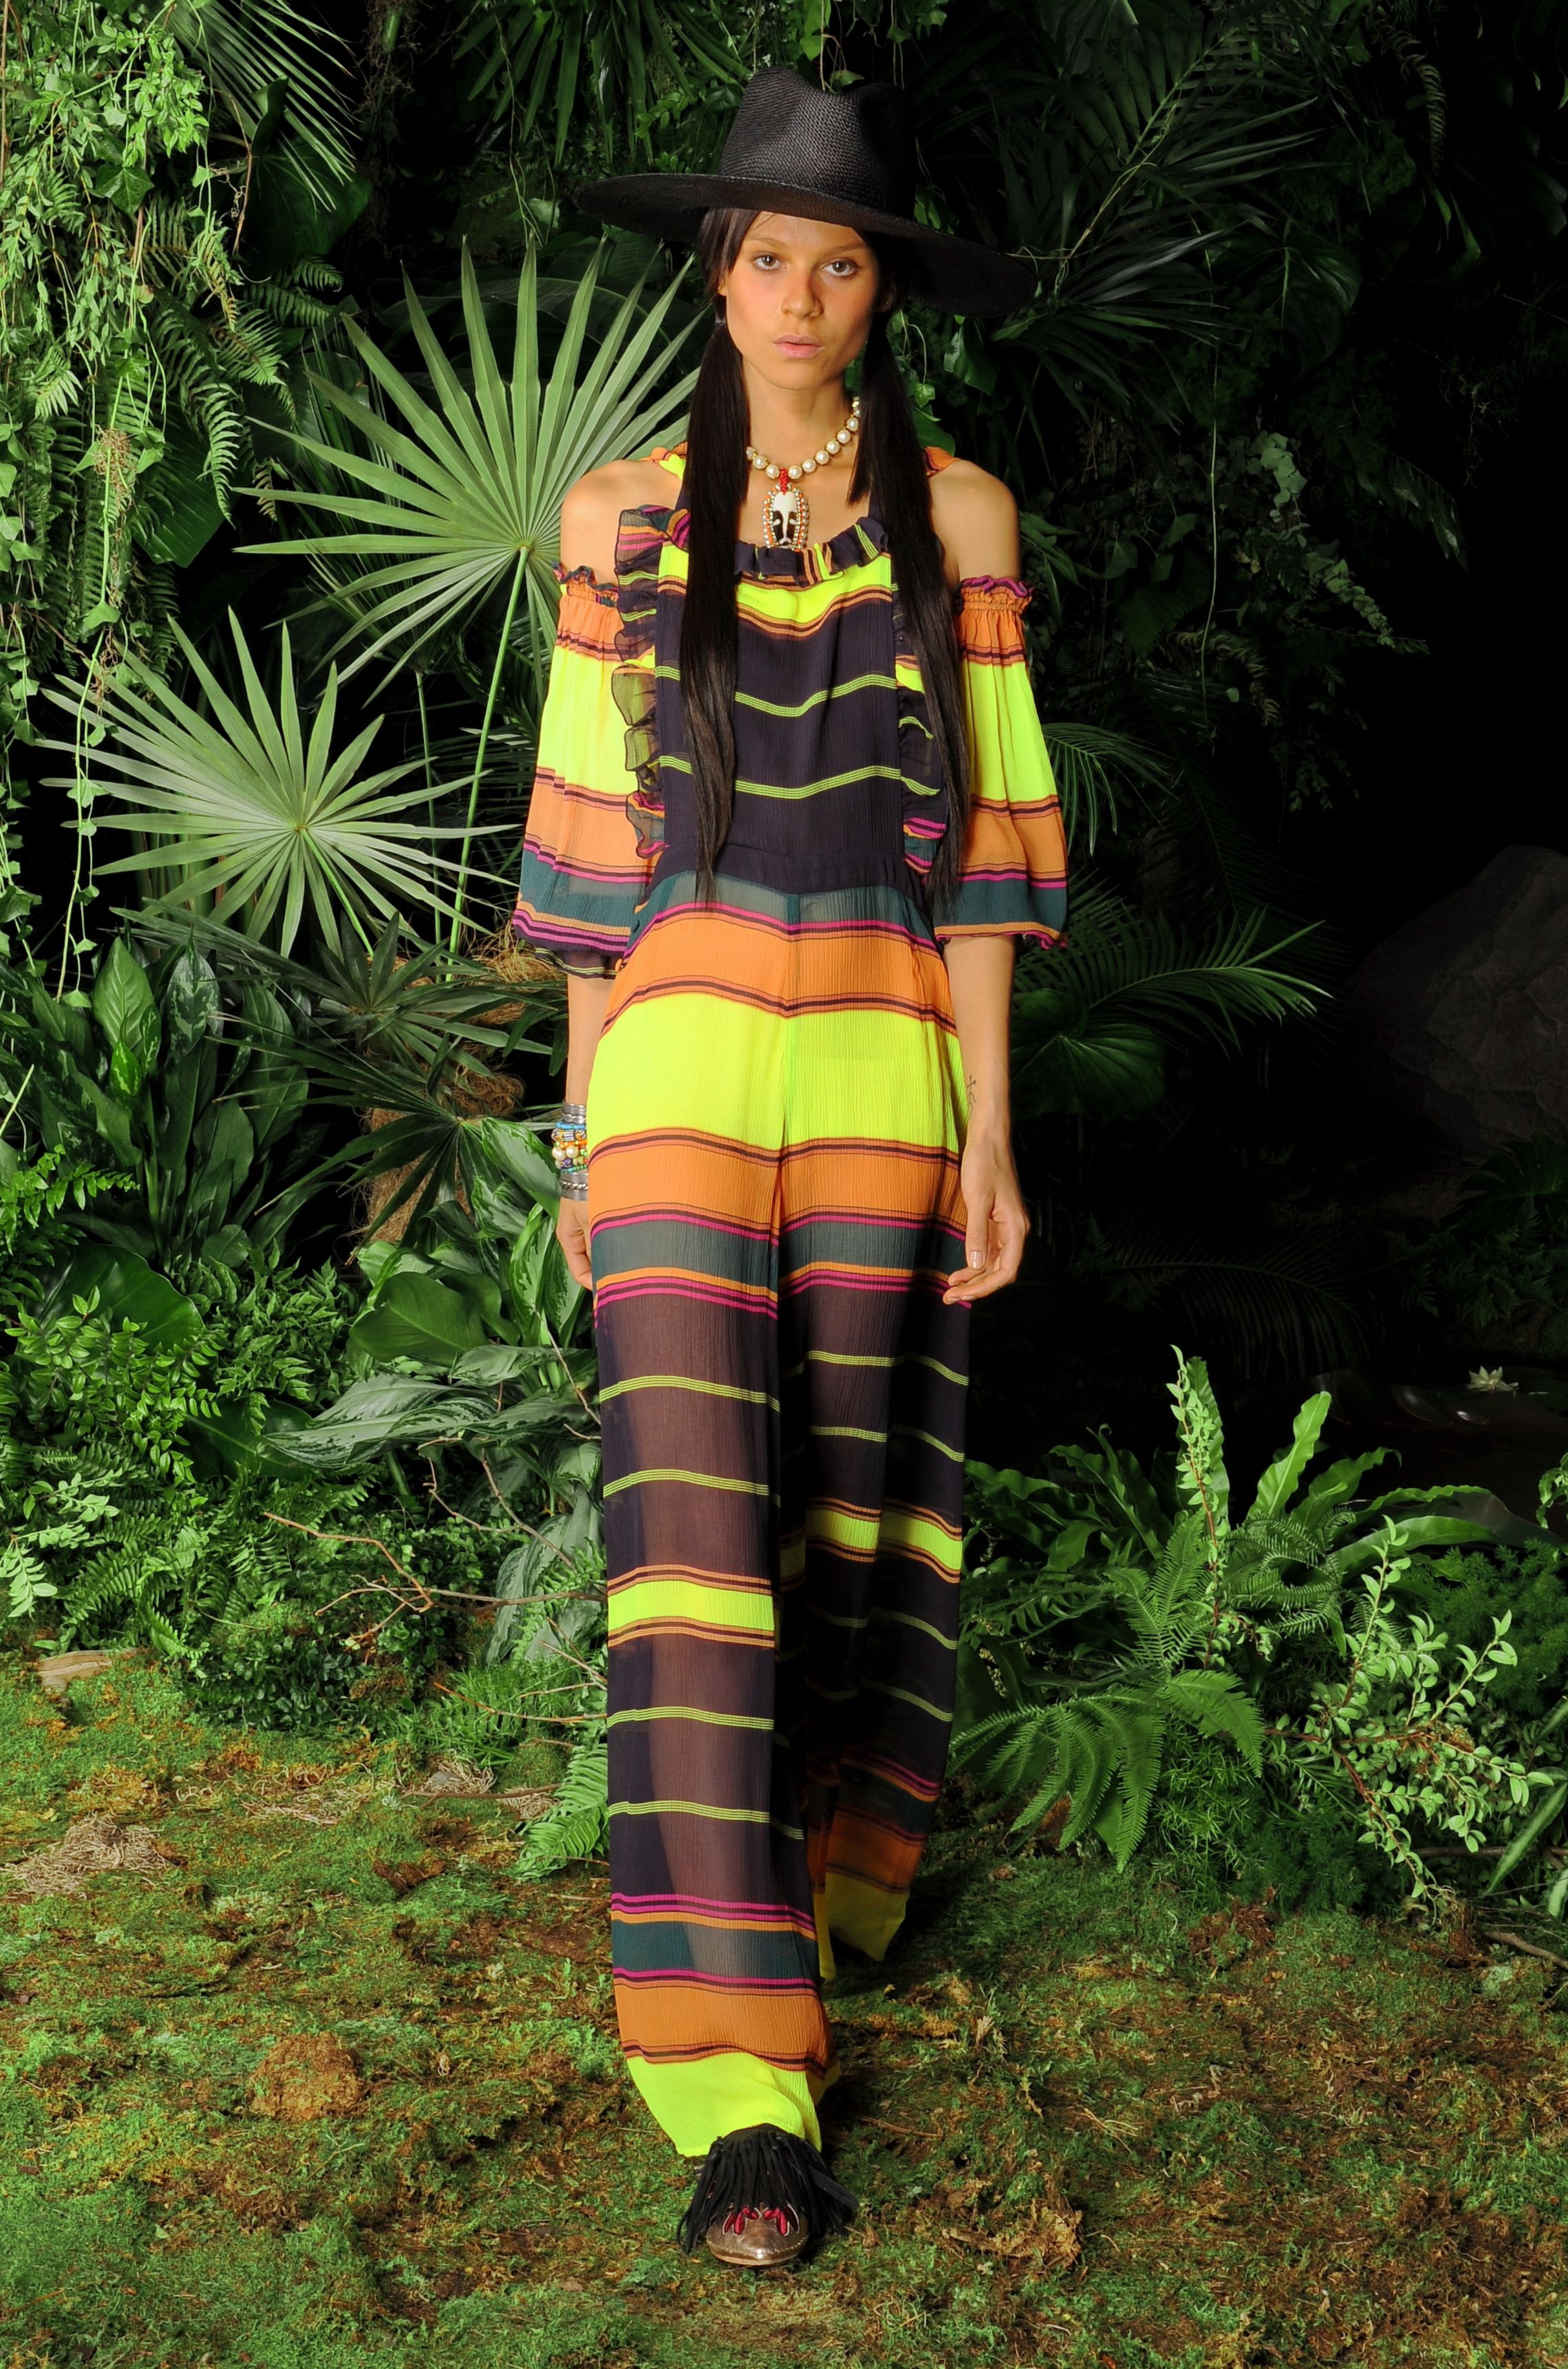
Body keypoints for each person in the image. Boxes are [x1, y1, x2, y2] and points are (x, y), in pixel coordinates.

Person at [511, 65, 1066, 2269]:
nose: (800, 296)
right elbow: (584, 854)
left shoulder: (963, 523)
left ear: (878, 290)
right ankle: (740, 2086)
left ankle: (822, 1890)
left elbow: (989, 861)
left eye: (839, 263)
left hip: (879, 1069)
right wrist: (579, 1124)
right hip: (668, 1069)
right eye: (767, 257)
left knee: (844, 1517)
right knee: (692, 1552)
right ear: (716, 274)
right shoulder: (615, 520)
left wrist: (991, 1131)